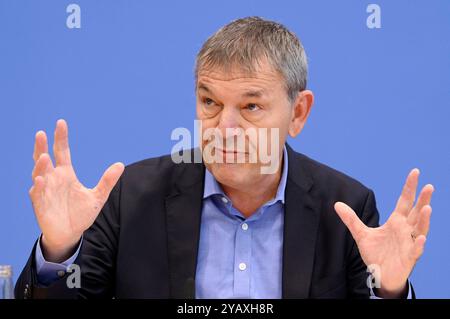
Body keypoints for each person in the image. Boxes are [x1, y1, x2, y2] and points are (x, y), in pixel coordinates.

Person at [15, 17, 433, 299]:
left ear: (299, 113)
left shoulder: (345, 209)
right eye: (209, 102)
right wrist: (59, 250)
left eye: (251, 107)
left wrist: (389, 290)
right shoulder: (131, 197)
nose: (224, 128)